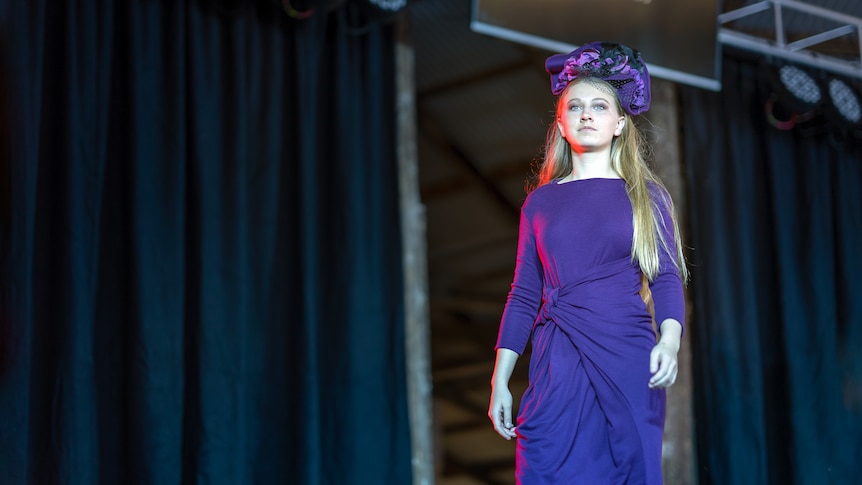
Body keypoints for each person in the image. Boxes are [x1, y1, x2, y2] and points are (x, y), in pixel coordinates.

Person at [487, 41, 689, 484]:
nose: (586, 113)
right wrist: (500, 380)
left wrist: (670, 342)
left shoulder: (645, 196)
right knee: (544, 466)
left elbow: (666, 278)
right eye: (574, 105)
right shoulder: (540, 204)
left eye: (599, 105)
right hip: (555, 361)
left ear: (619, 123)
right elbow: (523, 294)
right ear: (559, 123)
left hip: (627, 355)